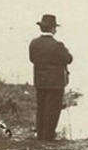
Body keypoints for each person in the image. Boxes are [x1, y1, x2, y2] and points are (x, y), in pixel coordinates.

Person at [28, 14, 72, 142]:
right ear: (53, 29)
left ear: (41, 28)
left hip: (39, 80)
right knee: (52, 110)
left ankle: (40, 135)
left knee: (41, 107)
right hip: (55, 83)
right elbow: (68, 59)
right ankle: (48, 137)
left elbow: (32, 59)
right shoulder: (57, 45)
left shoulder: (34, 43)